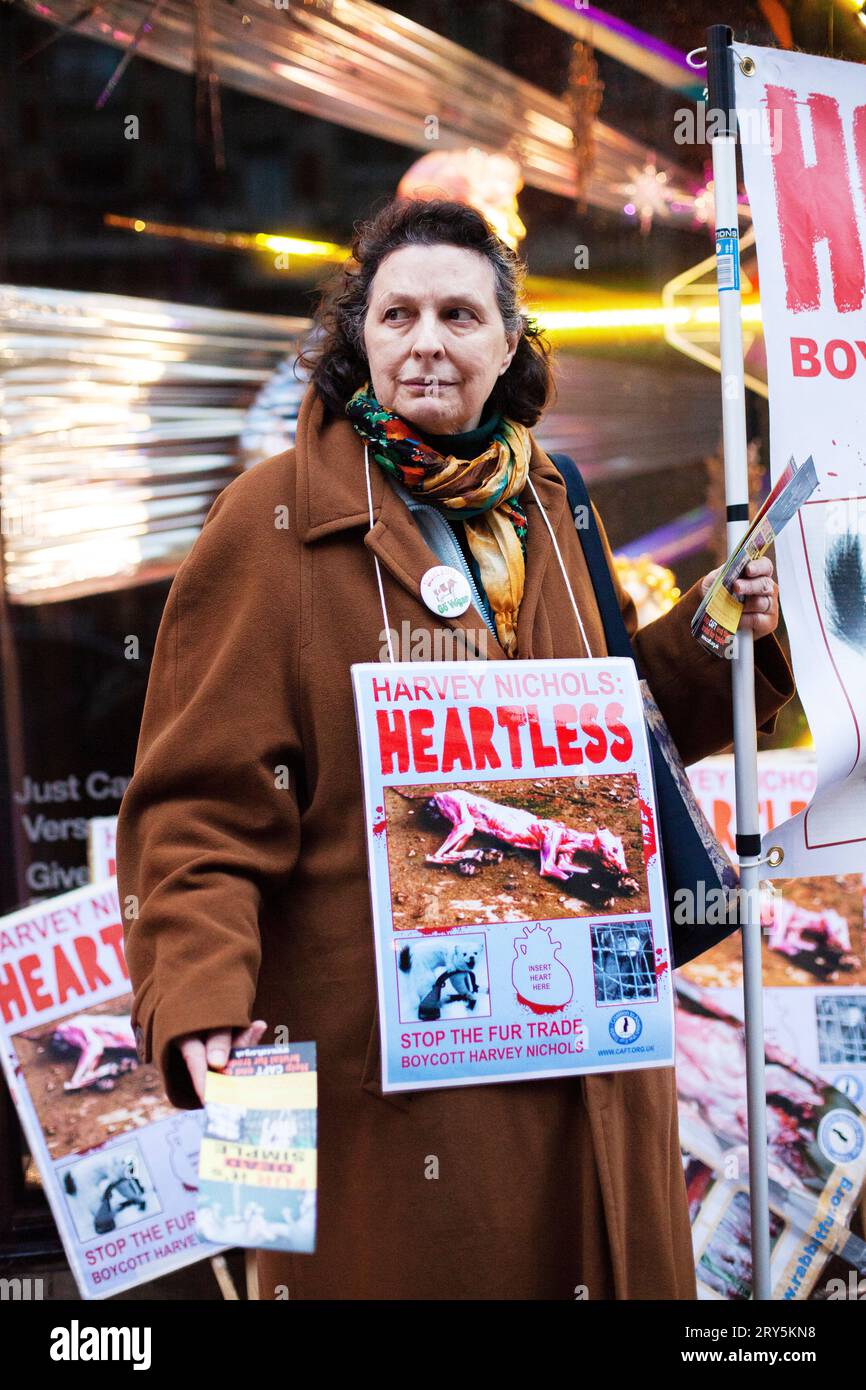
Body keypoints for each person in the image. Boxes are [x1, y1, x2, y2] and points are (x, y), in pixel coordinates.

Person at [116, 198, 795, 1300]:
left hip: (580, 1029)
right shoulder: (270, 522)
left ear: (507, 344)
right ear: (356, 341)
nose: (426, 339)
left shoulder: (551, 500)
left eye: (458, 313)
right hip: (390, 1079)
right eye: (396, 314)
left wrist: (723, 627)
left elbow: (610, 725)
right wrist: (195, 997)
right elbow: (199, 807)